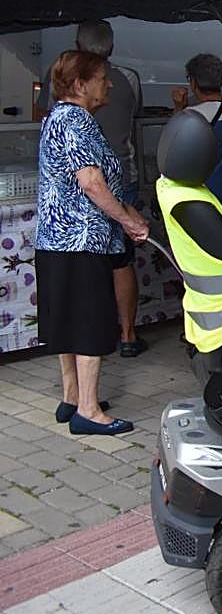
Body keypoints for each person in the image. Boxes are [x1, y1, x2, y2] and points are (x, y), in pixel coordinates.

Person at [35, 51, 149, 435]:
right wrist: (125, 221)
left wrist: (129, 213)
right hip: (82, 240)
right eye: (103, 77)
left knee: (66, 320)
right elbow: (92, 184)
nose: (110, 84)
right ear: (81, 84)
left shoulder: (58, 117)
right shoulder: (77, 121)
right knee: (88, 323)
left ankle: (71, 397)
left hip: (57, 239)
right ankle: (88, 411)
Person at [172, 54, 222, 211]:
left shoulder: (191, 116)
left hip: (205, 196)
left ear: (193, 81)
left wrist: (179, 107)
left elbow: (172, 149)